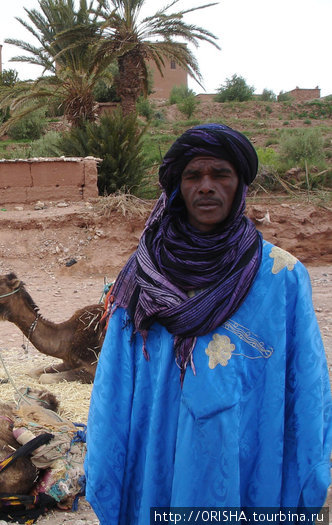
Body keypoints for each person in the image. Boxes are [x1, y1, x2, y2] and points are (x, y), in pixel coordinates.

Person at [84, 123, 332, 524]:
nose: (206, 186)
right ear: (176, 187)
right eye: (193, 175)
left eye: (220, 174)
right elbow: (115, 382)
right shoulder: (142, 276)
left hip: (246, 452)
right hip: (160, 453)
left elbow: (306, 385)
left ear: (241, 185)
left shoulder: (281, 276)